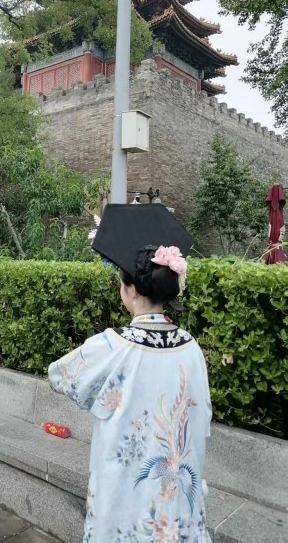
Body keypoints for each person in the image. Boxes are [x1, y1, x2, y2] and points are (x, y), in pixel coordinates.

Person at [48, 204, 212, 542]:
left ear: (132, 290)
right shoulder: (190, 346)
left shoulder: (114, 345)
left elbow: (59, 374)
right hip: (177, 499)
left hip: (126, 493)